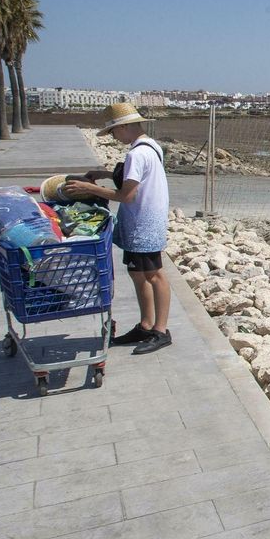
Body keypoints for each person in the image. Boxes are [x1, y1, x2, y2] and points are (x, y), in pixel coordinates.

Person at [62, 103, 173, 355]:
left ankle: (161, 330)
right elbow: (137, 180)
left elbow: (126, 195)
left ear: (123, 128)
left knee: (154, 275)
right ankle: (146, 325)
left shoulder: (136, 154)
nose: (113, 137)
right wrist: (103, 174)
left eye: (113, 132)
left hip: (143, 222)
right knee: (138, 273)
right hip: (142, 221)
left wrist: (88, 188)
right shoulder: (150, 146)